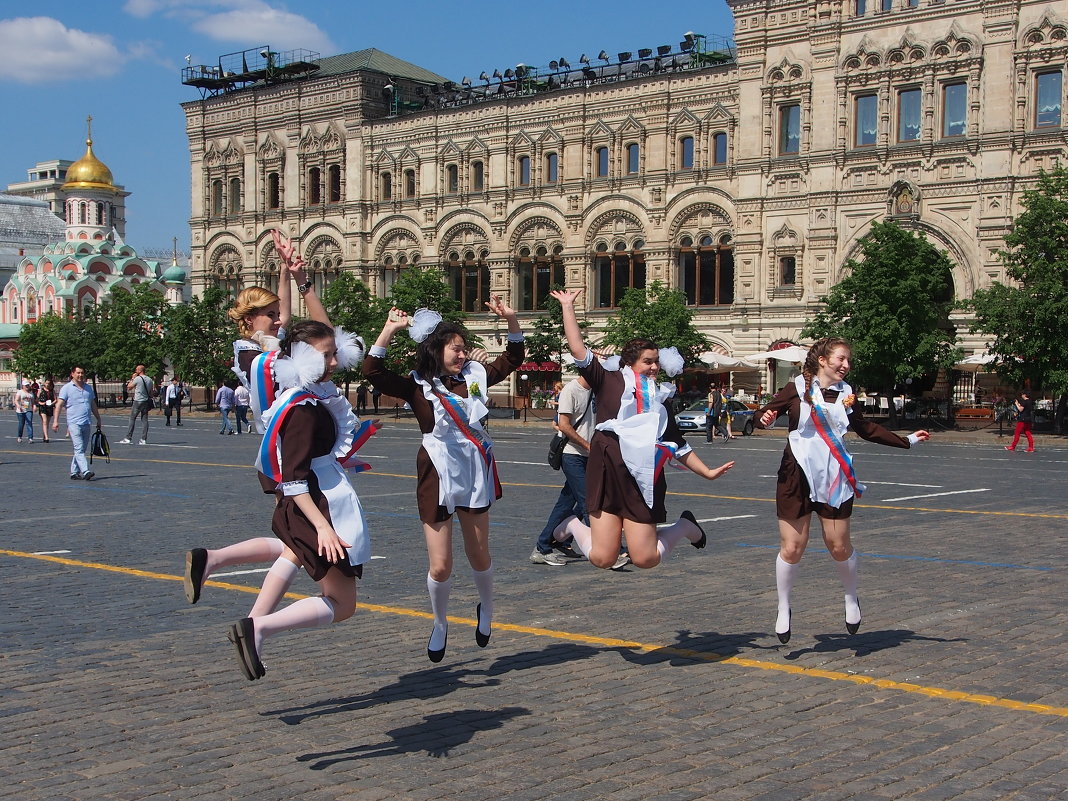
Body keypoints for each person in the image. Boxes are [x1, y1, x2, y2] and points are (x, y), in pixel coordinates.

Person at [364, 298, 523, 662]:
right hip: (436, 470)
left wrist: (511, 317)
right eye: (456, 349)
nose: (463, 354)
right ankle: (439, 622)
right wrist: (389, 328)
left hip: (474, 468)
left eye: (464, 348)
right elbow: (372, 371)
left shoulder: (476, 378)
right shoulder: (416, 386)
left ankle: (486, 608)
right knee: (441, 564)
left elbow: (512, 358)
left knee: (478, 552)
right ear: (436, 350)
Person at [184, 230, 332, 614]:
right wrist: (292, 283)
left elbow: (288, 327)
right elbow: (296, 344)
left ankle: (212, 560)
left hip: (294, 449)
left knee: (291, 540)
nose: (279, 318)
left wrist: (286, 273)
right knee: (301, 539)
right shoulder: (253, 356)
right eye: (270, 314)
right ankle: (255, 622)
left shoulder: (264, 347)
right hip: (286, 454)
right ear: (251, 319)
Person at [755, 337, 930, 643]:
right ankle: (783, 606)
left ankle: (851, 597)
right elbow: (763, 415)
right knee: (793, 547)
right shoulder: (796, 388)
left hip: (834, 474)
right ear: (822, 359)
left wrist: (907, 440)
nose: (846, 365)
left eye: (848, 360)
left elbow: (865, 428)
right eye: (841, 359)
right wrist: (765, 418)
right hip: (795, 472)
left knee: (838, 544)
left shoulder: (847, 394)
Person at [550, 288, 735, 572]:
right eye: (647, 361)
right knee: (603, 558)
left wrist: (707, 472)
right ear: (630, 363)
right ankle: (572, 523)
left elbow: (677, 444)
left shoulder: (661, 398)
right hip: (607, 471)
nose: (654, 366)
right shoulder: (607, 380)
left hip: (643, 476)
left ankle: (685, 525)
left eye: (656, 361)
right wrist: (567, 307)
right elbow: (577, 349)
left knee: (645, 558)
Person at [227, 320, 372, 681]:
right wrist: (323, 527)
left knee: (338, 598)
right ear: (304, 360)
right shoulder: (303, 409)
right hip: (319, 506)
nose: (336, 361)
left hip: (320, 500)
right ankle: (258, 628)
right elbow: (292, 479)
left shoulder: (304, 398)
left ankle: (256, 629)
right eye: (327, 355)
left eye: (335, 352)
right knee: (342, 603)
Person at [529, 376, 628, 567]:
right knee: (589, 501)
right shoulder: (571, 390)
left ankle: (548, 544)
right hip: (572, 454)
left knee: (566, 502)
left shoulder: (598, 389)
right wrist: (587, 445)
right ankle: (609, 550)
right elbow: (563, 425)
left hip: (590, 456)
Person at [52, 365, 103, 480]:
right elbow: (59, 405)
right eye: (78, 373)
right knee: (79, 448)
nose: (80, 375)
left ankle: (74, 472)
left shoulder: (88, 388)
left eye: (82, 373)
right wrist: (55, 421)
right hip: (74, 423)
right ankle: (85, 471)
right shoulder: (67, 388)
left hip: (86, 422)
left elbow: (93, 404)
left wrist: (98, 418)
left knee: (81, 449)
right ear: (72, 374)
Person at [119, 365, 154, 444]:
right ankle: (143, 439)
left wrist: (132, 378)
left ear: (140, 371)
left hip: (138, 401)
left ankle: (128, 438)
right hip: (145, 401)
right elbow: (151, 393)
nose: (135, 370)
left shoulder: (137, 379)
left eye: (136, 369)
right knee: (145, 420)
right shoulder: (149, 379)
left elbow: (129, 387)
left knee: (132, 419)